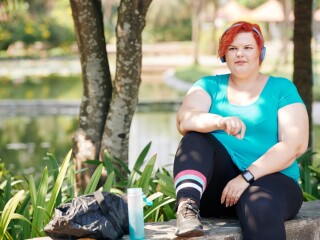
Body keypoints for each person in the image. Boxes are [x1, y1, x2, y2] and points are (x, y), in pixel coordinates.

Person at [173, 21, 309, 240]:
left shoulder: (282, 88)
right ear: (223, 54)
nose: (240, 54)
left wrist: (246, 177)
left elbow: (296, 144)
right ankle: (187, 210)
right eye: (232, 48)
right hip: (220, 194)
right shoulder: (209, 85)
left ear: (260, 53)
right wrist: (219, 121)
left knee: (259, 204)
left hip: (274, 184)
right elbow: (184, 119)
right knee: (195, 139)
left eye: (248, 48)